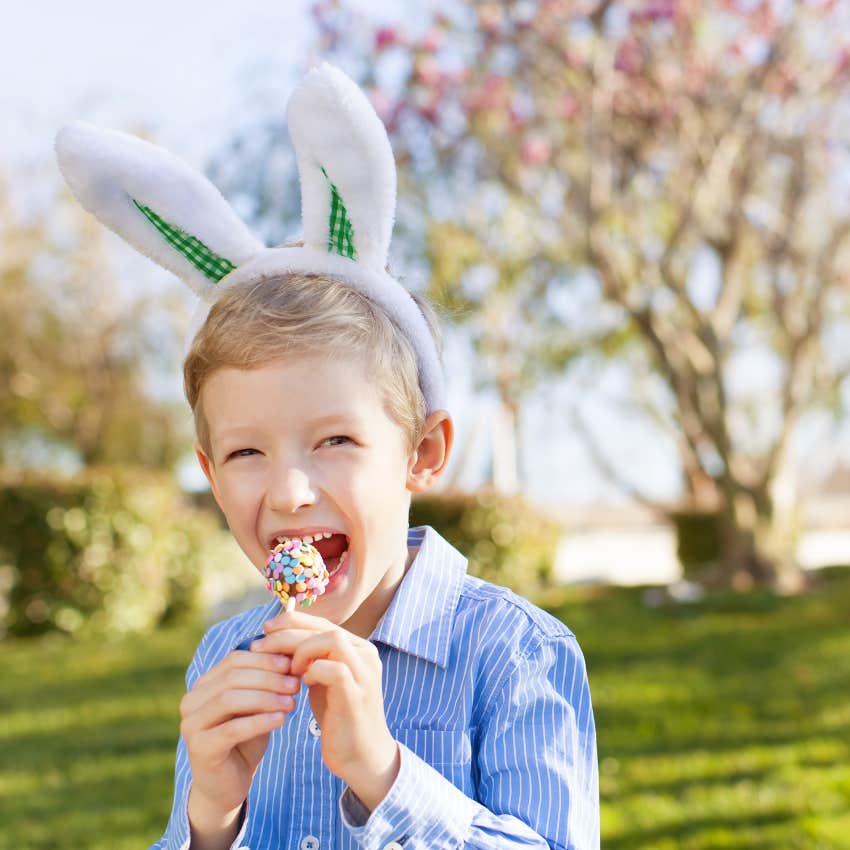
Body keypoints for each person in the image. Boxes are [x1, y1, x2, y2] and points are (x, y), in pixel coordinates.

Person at [56, 64, 599, 850]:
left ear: (422, 453)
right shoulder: (224, 656)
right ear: (211, 478)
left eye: (335, 440)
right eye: (246, 451)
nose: (289, 491)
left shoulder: (515, 655)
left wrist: (385, 775)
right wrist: (211, 817)